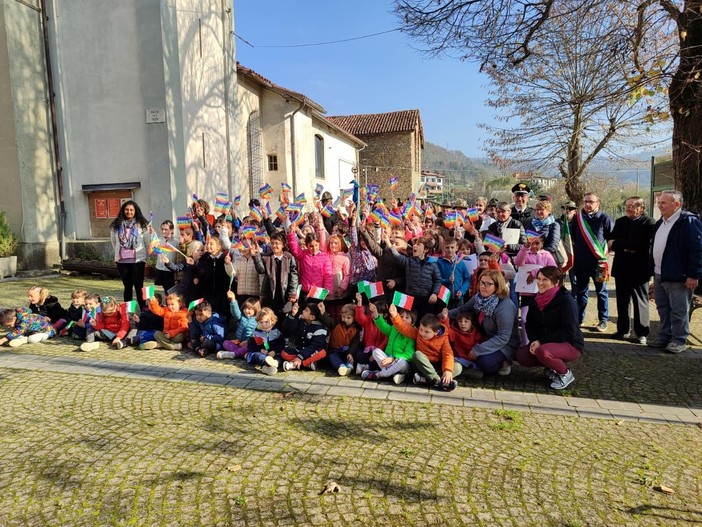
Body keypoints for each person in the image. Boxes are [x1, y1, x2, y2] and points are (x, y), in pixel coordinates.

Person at [649, 190, 702, 353]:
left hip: (679, 276)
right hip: (660, 274)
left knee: (679, 310)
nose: (660, 205)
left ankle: (679, 339)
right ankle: (665, 336)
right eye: (659, 202)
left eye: (664, 203)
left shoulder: (688, 221)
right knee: (663, 308)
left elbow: (697, 250)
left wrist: (693, 275)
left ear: (676, 204)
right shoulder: (661, 222)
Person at [515, 266, 584, 390]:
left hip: (570, 343)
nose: (540, 283)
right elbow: (529, 324)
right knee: (522, 356)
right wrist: (534, 341)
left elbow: (570, 331)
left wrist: (541, 342)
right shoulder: (535, 299)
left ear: (556, 282)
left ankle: (565, 374)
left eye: (545, 280)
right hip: (545, 341)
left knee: (543, 351)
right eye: (539, 279)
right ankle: (552, 368)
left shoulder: (566, 301)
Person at [447, 269, 520, 376]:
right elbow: (463, 309)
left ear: (497, 285)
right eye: (481, 282)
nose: (483, 286)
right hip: (482, 338)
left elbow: (503, 337)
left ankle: (505, 361)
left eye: (488, 284)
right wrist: (444, 315)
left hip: (504, 344)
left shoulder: (505, 307)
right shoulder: (479, 298)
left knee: (485, 363)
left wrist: (479, 350)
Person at [608, 196, 656, 344]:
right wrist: (623, 244)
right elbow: (611, 242)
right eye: (627, 205)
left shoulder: (649, 223)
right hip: (621, 265)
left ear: (641, 208)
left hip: (639, 267)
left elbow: (641, 244)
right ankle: (623, 330)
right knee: (622, 300)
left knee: (640, 300)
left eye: (632, 206)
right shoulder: (620, 222)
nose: (628, 208)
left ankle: (642, 333)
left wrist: (620, 243)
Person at [390, 304, 460, 391]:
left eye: (427, 332)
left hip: (436, 365)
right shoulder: (417, 333)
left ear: (436, 332)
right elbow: (404, 328)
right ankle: (437, 380)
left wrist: (447, 370)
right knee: (417, 355)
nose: (422, 333)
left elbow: (448, 354)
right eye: (421, 329)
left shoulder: (443, 339)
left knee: (458, 366)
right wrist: (395, 315)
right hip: (421, 366)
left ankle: (425, 380)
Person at [570, 193, 613, 331]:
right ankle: (579, 318)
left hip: (599, 263)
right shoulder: (578, 219)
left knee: (601, 292)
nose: (588, 204)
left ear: (597, 203)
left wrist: (604, 255)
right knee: (581, 291)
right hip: (581, 262)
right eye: (586, 201)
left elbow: (611, 238)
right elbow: (573, 237)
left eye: (591, 202)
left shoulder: (604, 218)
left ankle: (603, 320)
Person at [110, 200, 151, 309]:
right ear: (123, 211)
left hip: (137, 261)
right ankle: (129, 311)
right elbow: (114, 242)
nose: (129, 212)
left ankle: (143, 310)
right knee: (127, 287)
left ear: (135, 211)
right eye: (127, 209)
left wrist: (146, 256)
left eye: (131, 210)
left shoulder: (143, 224)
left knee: (139, 287)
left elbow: (147, 242)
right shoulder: (116, 225)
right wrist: (119, 253)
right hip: (122, 261)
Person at [362, 302, 415, 384]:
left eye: (407, 317)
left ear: (413, 323)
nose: (403, 319)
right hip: (387, 361)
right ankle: (394, 375)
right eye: (401, 316)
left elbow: (409, 355)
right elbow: (383, 327)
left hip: (401, 363)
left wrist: (393, 359)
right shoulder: (394, 328)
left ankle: (379, 374)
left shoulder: (412, 335)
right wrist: (376, 314)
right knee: (376, 351)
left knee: (401, 362)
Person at [252, 231, 299, 315]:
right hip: (270, 293)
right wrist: (256, 257)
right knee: (271, 315)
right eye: (272, 243)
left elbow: (293, 276)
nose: (274, 246)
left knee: (284, 315)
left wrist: (292, 293)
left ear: (283, 245)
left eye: (277, 243)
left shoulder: (289, 257)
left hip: (285, 293)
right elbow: (261, 270)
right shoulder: (266, 257)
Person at [280, 302, 328, 371]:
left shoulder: (320, 329)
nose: (302, 311)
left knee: (322, 352)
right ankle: (307, 364)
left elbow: (314, 346)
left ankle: (294, 365)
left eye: (306, 310)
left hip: (312, 352)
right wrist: (292, 315)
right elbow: (288, 328)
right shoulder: (301, 320)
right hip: (300, 350)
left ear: (312, 317)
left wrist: (300, 357)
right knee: (284, 353)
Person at [321, 303, 361, 376]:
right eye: (343, 316)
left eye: (348, 318)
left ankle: (349, 365)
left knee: (354, 353)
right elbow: (328, 321)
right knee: (331, 355)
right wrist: (323, 312)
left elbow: (355, 343)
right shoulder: (337, 323)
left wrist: (350, 353)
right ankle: (341, 366)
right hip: (334, 350)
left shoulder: (356, 329)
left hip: (346, 350)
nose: (345, 319)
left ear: (354, 318)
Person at [243, 308, 285, 376]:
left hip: (273, 353)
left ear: (272, 321)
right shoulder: (255, 333)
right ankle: (266, 364)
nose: (263, 324)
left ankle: (275, 364)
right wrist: (260, 350)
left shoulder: (276, 332)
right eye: (261, 322)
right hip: (261, 353)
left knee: (280, 357)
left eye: (266, 322)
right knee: (256, 355)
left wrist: (274, 351)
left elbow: (282, 344)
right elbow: (250, 346)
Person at [219, 294, 261, 358]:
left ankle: (234, 354)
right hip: (239, 342)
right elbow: (235, 312)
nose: (247, 311)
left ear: (255, 309)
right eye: (245, 308)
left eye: (250, 309)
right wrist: (233, 300)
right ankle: (241, 353)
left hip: (248, 343)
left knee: (250, 346)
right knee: (225, 343)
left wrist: (247, 341)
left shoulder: (257, 320)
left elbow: (256, 335)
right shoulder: (241, 317)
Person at [434, 237, 471, 308]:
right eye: (447, 247)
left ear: (457, 248)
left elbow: (467, 279)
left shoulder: (461, 262)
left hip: (458, 297)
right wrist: (447, 281)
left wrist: (462, 291)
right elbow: (437, 279)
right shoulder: (439, 262)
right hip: (444, 297)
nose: (450, 250)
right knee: (444, 317)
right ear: (443, 248)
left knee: (458, 317)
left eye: (452, 247)